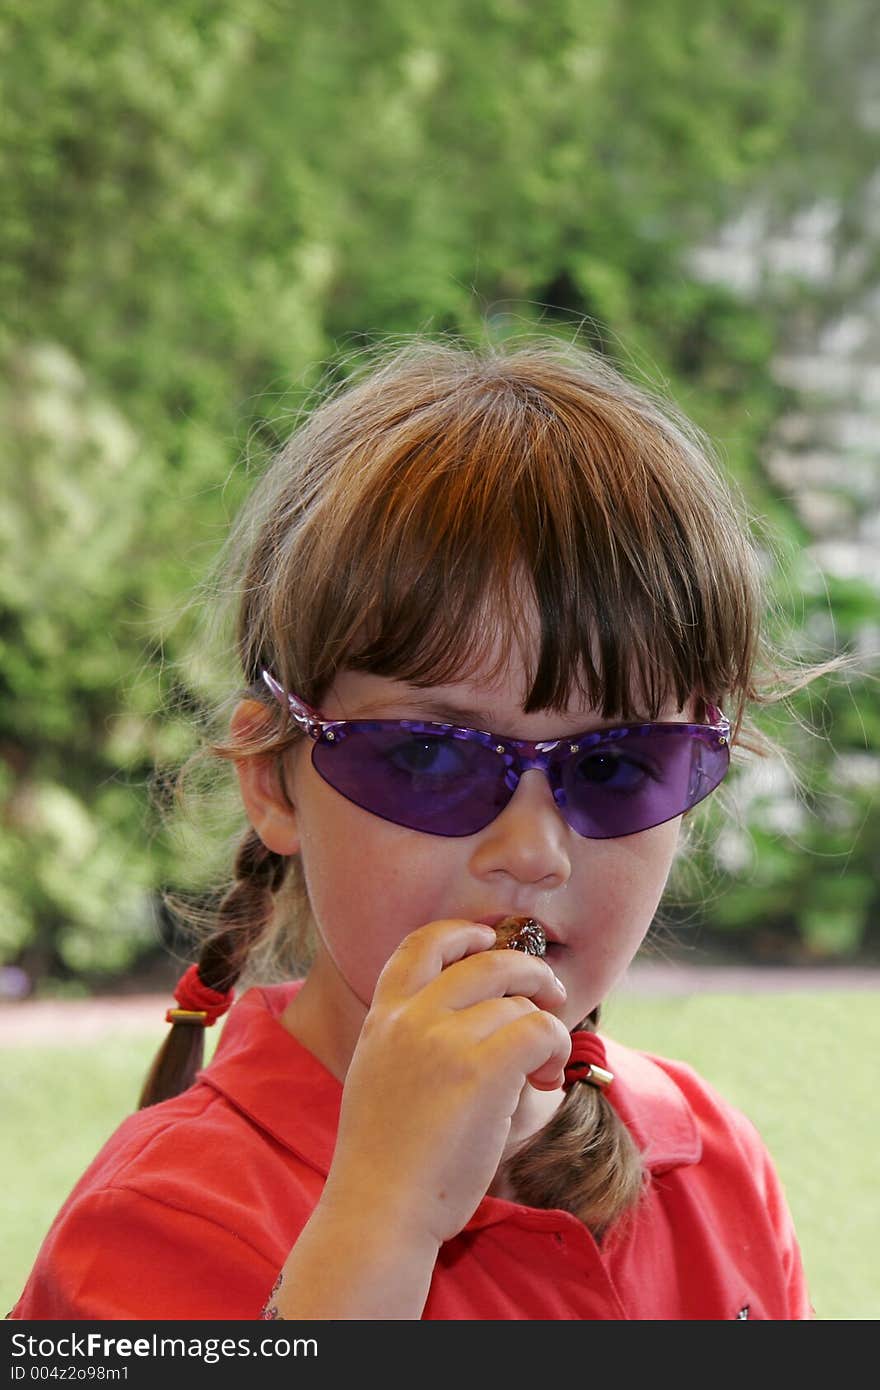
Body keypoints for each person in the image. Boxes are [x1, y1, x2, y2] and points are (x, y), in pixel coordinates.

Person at [11, 335, 829, 1321]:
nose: (533, 850)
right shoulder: (158, 1220)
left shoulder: (712, 1162)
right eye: (431, 756)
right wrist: (383, 1221)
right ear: (275, 779)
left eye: (612, 766)